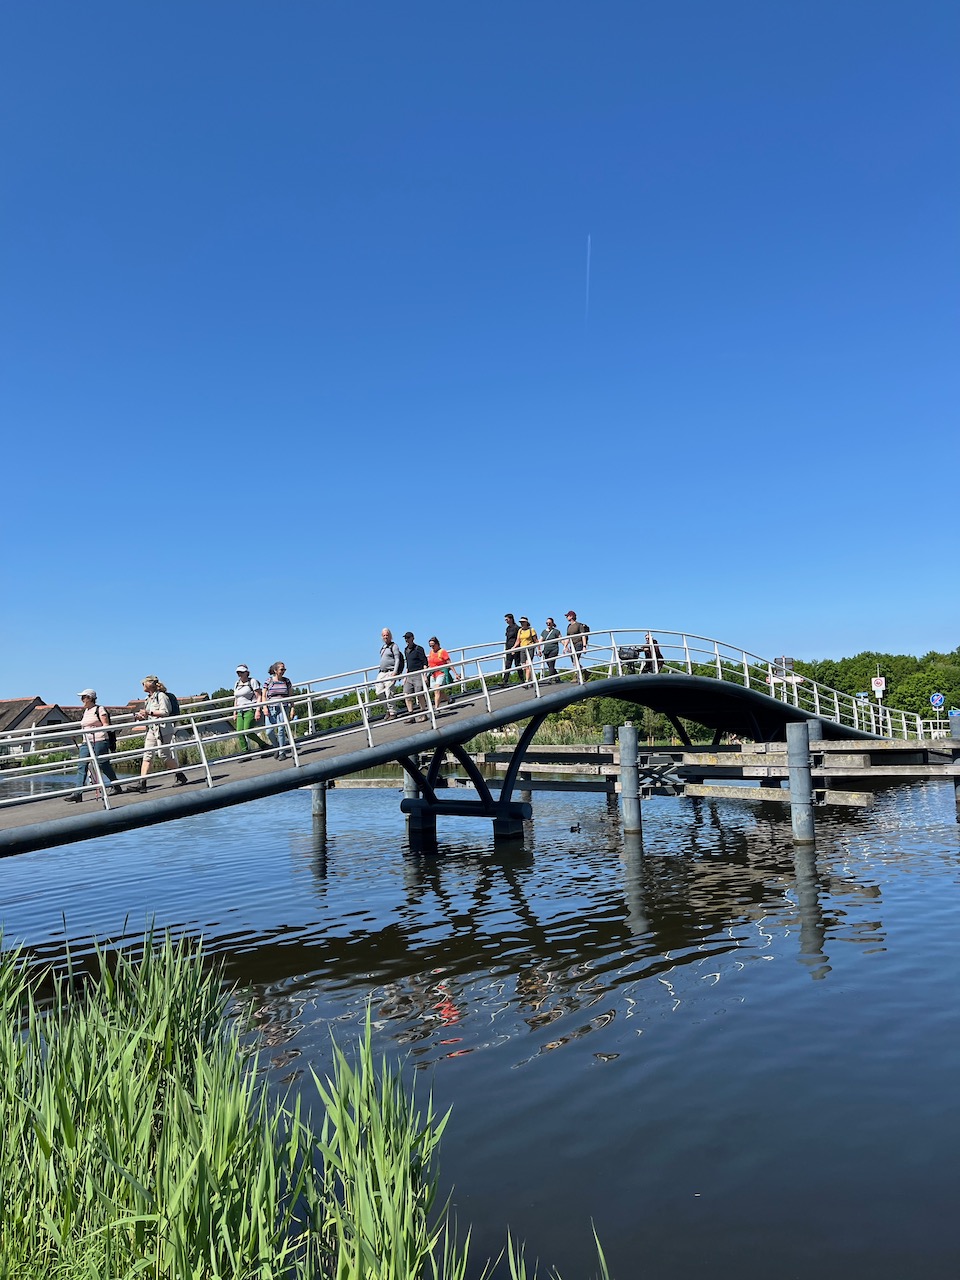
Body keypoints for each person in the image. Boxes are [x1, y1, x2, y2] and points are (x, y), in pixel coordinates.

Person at [63, 689, 123, 802]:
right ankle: (78, 793)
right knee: (82, 765)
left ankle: (116, 786)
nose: (81, 700)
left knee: (103, 765)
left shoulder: (99, 709)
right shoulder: (86, 711)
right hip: (86, 742)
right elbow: (85, 726)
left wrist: (96, 732)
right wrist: (77, 735)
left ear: (90, 698)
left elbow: (106, 725)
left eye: (83, 697)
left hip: (99, 740)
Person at [132, 676, 188, 791]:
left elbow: (165, 712)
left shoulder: (161, 696)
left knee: (163, 755)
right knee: (147, 754)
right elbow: (150, 714)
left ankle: (180, 775)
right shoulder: (148, 698)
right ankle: (142, 783)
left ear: (149, 684)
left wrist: (149, 712)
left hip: (163, 729)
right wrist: (142, 716)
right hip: (152, 729)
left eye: (144, 684)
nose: (142, 686)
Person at [233, 664, 269, 757]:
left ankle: (263, 744)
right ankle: (245, 751)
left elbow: (259, 695)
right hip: (240, 710)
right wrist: (235, 711)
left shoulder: (252, 681)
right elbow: (236, 698)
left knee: (247, 730)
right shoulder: (237, 683)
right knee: (239, 731)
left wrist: (258, 709)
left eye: (241, 672)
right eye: (238, 672)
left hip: (250, 708)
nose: (239, 674)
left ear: (246, 673)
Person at [263, 661, 295, 759]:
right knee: (269, 731)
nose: (283, 671)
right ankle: (277, 747)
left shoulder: (287, 681)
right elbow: (264, 695)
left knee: (281, 729)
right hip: (271, 707)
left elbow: (290, 695)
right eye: (281, 669)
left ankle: (282, 752)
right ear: (275, 670)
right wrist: (264, 707)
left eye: (284, 669)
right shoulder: (268, 681)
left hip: (283, 706)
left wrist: (292, 708)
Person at [376, 628, 404, 720]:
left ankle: (393, 712)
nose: (385, 637)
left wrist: (395, 672)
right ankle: (388, 710)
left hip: (390, 672)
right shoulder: (383, 647)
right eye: (384, 635)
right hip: (382, 672)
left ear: (390, 636)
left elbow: (397, 659)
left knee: (389, 692)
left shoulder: (394, 646)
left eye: (387, 635)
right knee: (379, 692)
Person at [402, 631, 429, 721]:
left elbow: (425, 662)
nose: (407, 640)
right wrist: (405, 676)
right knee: (407, 694)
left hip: (418, 673)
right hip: (410, 674)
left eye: (408, 637)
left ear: (413, 638)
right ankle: (411, 715)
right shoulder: (406, 650)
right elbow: (408, 664)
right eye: (405, 638)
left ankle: (423, 713)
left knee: (419, 694)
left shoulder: (419, 649)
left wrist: (424, 675)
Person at [427, 637, 459, 712]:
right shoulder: (431, 652)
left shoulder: (442, 651)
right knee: (439, 691)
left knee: (437, 690)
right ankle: (450, 700)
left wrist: (455, 674)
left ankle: (436, 708)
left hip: (441, 673)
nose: (432, 647)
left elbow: (449, 663)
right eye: (430, 645)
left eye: (433, 645)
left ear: (437, 644)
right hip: (433, 673)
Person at [564, 610, 591, 677]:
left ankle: (576, 676)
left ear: (571, 616)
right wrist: (565, 646)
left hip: (579, 643)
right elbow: (568, 637)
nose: (566, 617)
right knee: (574, 661)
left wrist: (584, 646)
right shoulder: (569, 626)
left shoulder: (579, 625)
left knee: (576, 659)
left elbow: (583, 635)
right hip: (572, 645)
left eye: (567, 616)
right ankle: (584, 672)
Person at [515, 617, 538, 683]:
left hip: (530, 648)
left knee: (528, 664)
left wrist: (539, 649)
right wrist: (513, 648)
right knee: (524, 666)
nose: (521, 623)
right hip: (522, 649)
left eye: (523, 622)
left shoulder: (531, 630)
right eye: (520, 622)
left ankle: (527, 681)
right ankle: (530, 679)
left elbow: (536, 640)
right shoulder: (520, 630)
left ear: (526, 622)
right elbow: (518, 640)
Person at [502, 613, 522, 686]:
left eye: (507, 619)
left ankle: (521, 679)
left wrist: (515, 647)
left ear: (511, 619)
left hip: (515, 648)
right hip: (508, 648)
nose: (506, 621)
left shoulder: (517, 628)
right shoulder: (508, 628)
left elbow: (518, 639)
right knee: (508, 664)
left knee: (517, 664)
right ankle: (505, 680)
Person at [540, 617, 561, 682]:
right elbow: (540, 641)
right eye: (547, 623)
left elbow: (561, 639)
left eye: (549, 623)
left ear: (552, 623)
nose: (548, 624)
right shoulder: (544, 632)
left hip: (554, 649)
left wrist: (566, 646)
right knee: (549, 664)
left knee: (551, 663)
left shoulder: (556, 631)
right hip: (546, 650)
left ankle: (550, 678)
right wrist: (539, 649)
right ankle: (556, 676)